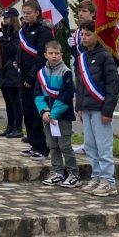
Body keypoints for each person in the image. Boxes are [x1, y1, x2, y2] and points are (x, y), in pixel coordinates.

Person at [73, 20, 119, 197]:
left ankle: (109, 181)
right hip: (86, 107)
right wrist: (78, 106)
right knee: (90, 145)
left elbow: (113, 84)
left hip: (100, 108)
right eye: (82, 35)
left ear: (97, 36)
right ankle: (97, 176)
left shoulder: (105, 56)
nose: (84, 38)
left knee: (103, 146)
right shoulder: (82, 57)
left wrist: (108, 110)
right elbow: (80, 85)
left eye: (88, 34)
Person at [37, 40, 80, 189]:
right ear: (45, 55)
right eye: (51, 53)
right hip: (47, 117)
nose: (54, 56)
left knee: (65, 146)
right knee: (52, 145)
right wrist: (44, 111)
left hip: (62, 117)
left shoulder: (66, 72)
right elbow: (38, 94)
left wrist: (54, 113)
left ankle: (74, 174)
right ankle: (58, 172)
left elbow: (65, 96)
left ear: (61, 54)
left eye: (57, 53)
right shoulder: (41, 73)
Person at [18, 0, 54, 159]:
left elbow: (41, 57)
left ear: (37, 13)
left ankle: (42, 146)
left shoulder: (43, 31)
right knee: (27, 111)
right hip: (23, 75)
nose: (25, 16)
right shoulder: (24, 30)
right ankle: (34, 143)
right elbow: (21, 50)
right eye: (24, 13)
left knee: (37, 111)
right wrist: (17, 61)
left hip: (37, 78)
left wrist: (31, 76)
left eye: (28, 13)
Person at [0, 8, 22, 138]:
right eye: (4, 18)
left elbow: (14, 50)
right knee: (7, 100)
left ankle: (18, 127)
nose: (4, 20)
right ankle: (10, 125)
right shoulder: (5, 33)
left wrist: (3, 40)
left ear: (13, 18)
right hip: (4, 71)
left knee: (15, 100)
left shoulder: (17, 33)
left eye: (7, 18)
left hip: (12, 71)